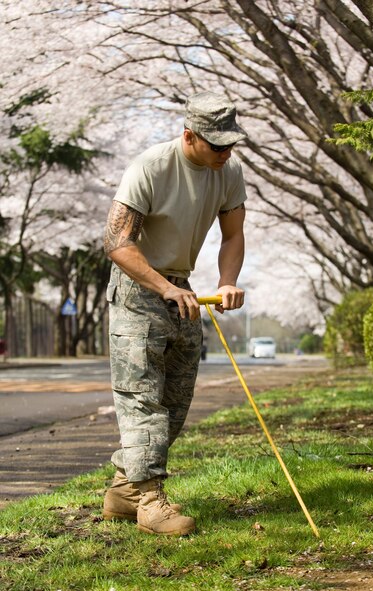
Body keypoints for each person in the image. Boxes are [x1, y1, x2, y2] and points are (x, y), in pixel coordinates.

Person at [102, 91, 248, 536]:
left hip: (182, 289)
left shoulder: (229, 171)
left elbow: (232, 235)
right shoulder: (151, 167)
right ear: (190, 136)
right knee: (141, 395)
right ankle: (149, 502)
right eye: (217, 144)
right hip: (138, 287)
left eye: (231, 144)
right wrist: (162, 286)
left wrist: (225, 281)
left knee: (175, 401)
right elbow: (116, 244)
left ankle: (124, 490)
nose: (226, 152)